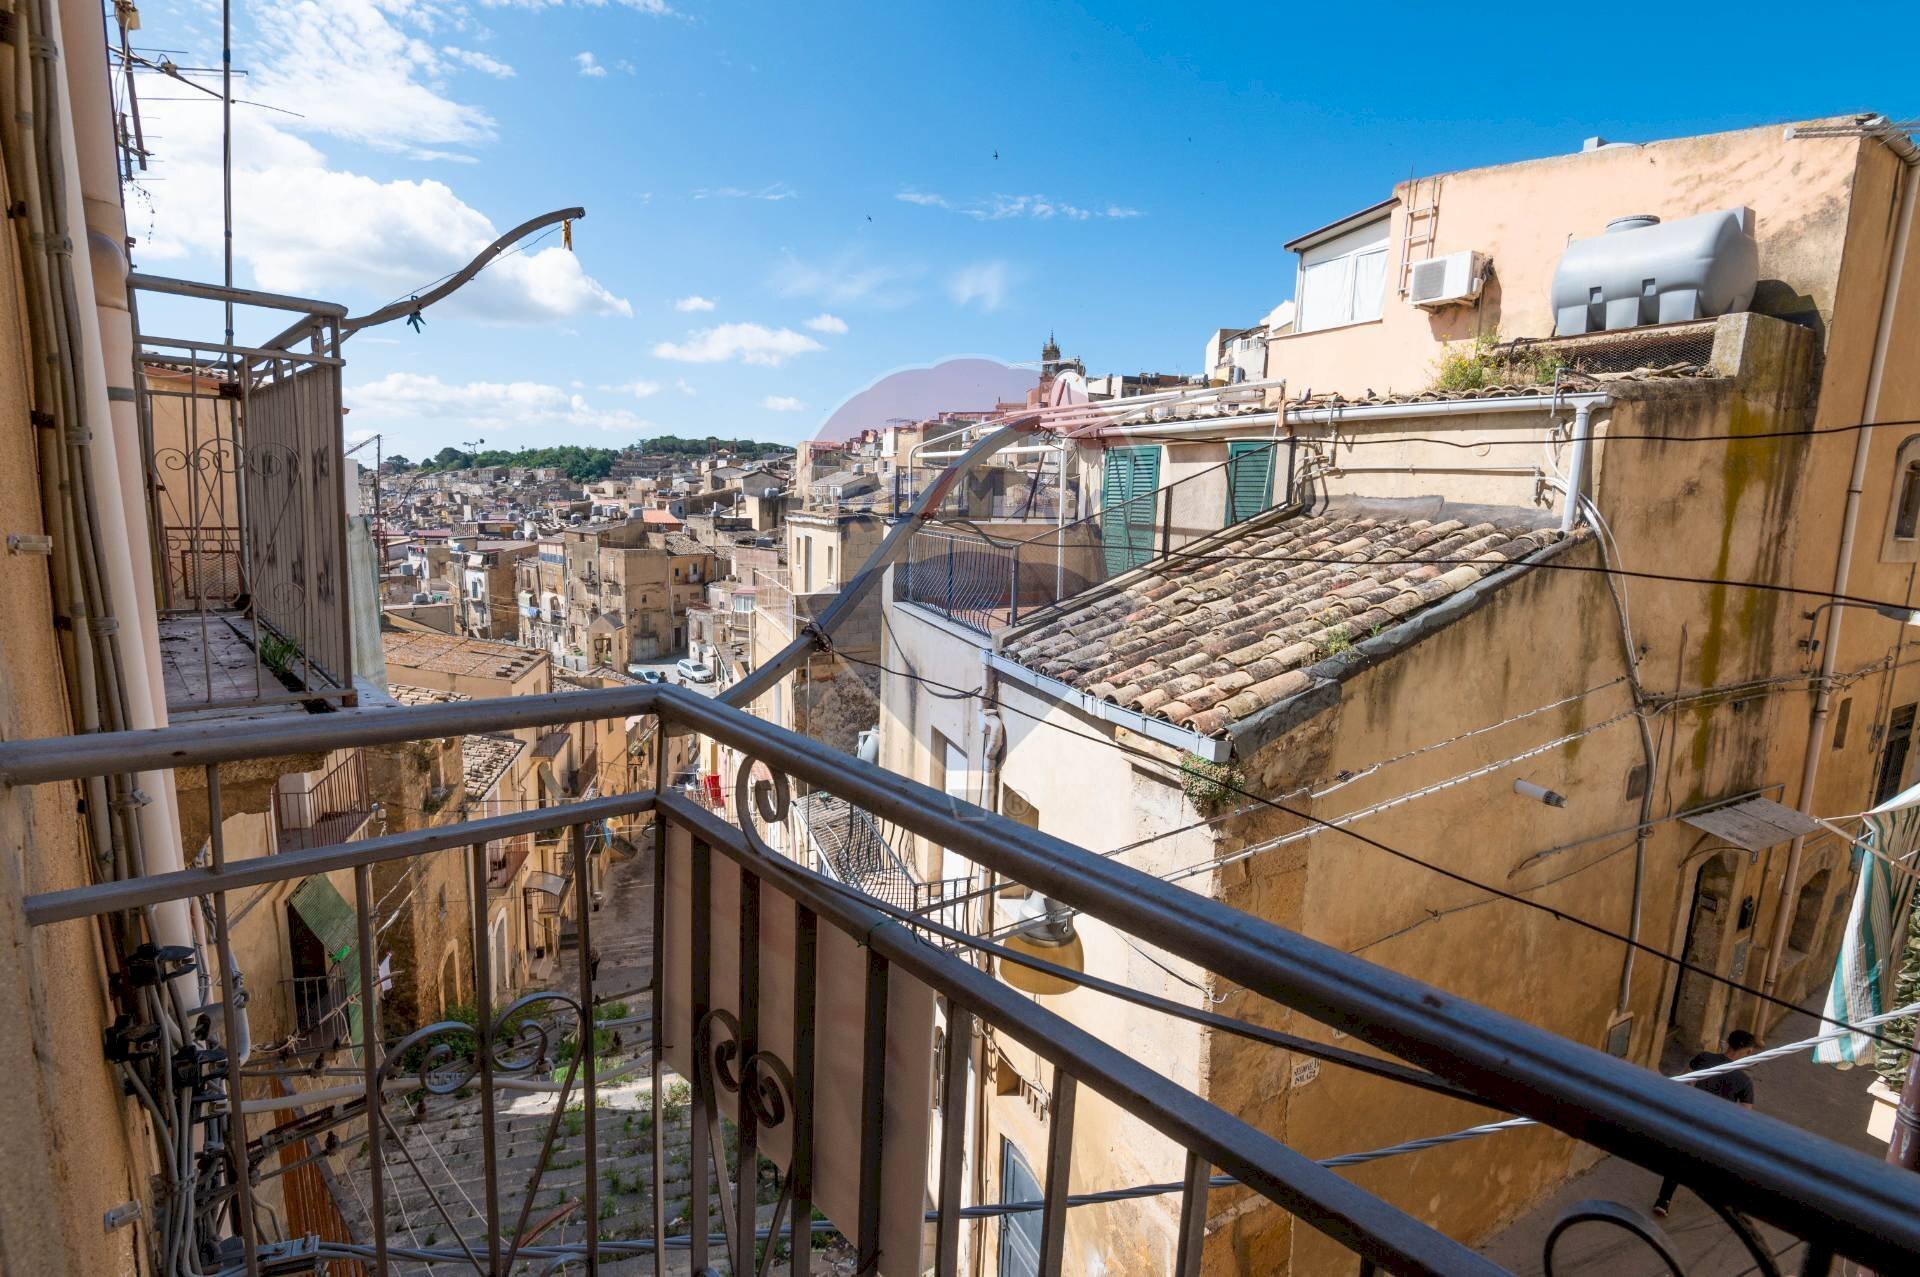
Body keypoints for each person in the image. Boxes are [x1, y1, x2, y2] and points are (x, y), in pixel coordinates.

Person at [1652, 1029, 1759, 1218]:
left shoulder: (1704, 1058)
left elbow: (1685, 1081)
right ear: (1748, 1051)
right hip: (1715, 1126)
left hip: (1692, 1116)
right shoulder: (1744, 1081)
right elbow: (1744, 1115)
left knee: (1680, 1157)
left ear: (1727, 1043)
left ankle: (1664, 1200)